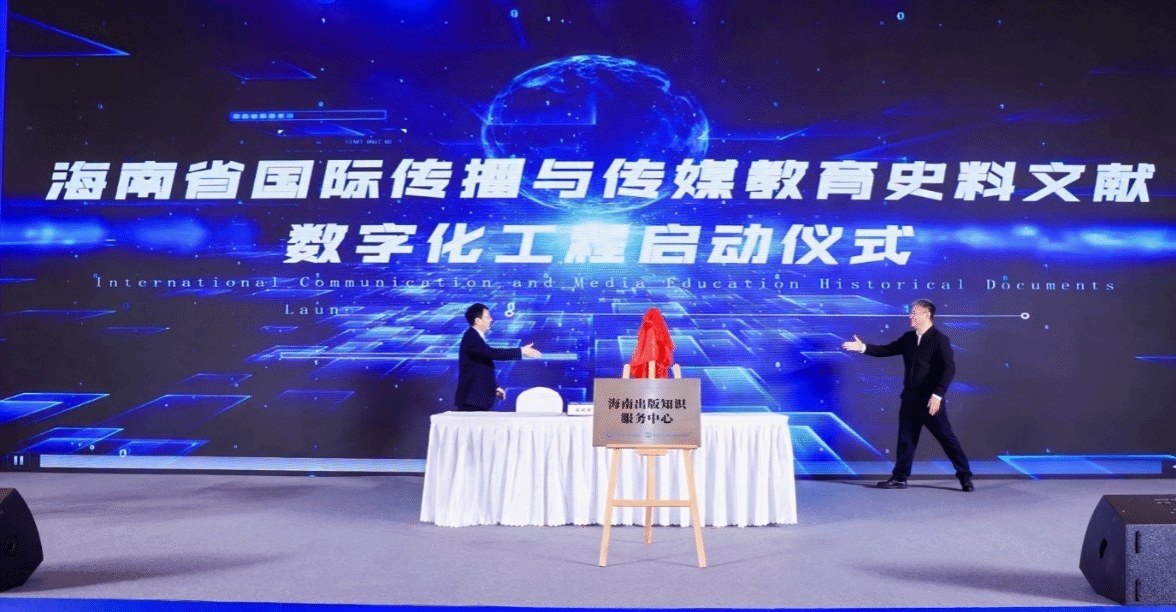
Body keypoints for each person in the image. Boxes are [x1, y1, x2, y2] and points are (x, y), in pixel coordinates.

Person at [840, 299, 973, 492]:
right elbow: (887, 350)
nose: (910, 316)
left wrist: (937, 395)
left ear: (927, 314)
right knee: (906, 440)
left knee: (946, 438)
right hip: (909, 399)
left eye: (914, 313)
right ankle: (899, 478)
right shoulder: (908, 338)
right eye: (911, 312)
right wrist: (863, 348)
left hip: (930, 401)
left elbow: (948, 368)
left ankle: (965, 476)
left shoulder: (939, 339)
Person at [454, 303, 541, 411]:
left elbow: (480, 367)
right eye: (487, 317)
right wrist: (521, 351)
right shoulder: (471, 337)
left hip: (476, 400)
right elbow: (491, 353)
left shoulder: (475, 337)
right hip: (472, 400)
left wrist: (493, 388)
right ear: (478, 321)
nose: (490, 320)